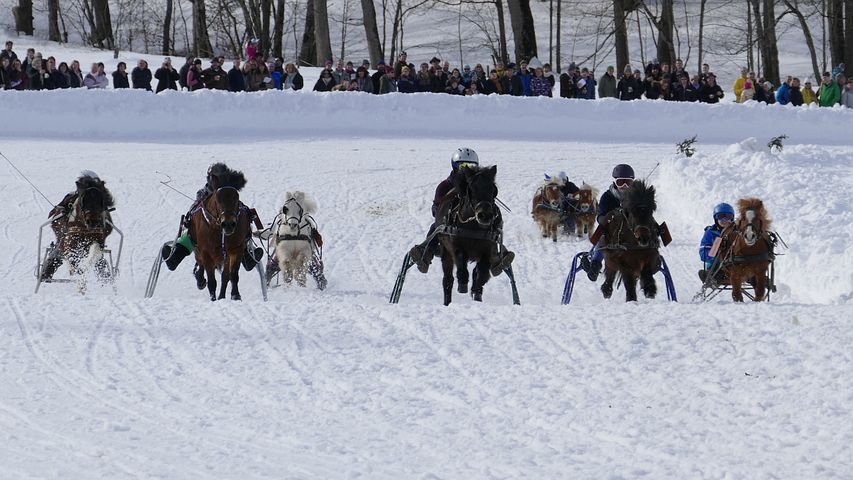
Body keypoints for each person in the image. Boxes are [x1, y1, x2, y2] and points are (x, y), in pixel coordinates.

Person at [408, 148, 515, 276]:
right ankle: (425, 255)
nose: (465, 169)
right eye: (462, 166)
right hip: (450, 227)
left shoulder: (479, 185)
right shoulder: (445, 186)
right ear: (455, 166)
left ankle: (496, 257)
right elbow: (436, 209)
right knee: (435, 227)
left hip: (478, 227)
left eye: (470, 166)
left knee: (492, 220)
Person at [161, 164, 263, 279]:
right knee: (191, 234)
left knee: (238, 235)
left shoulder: (228, 193)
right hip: (205, 236)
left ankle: (247, 257)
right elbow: (193, 211)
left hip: (228, 232)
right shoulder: (203, 193)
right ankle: (174, 258)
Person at [579, 164, 635, 281]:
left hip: (630, 230)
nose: (624, 186)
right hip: (611, 231)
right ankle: (595, 264)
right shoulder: (607, 197)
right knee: (603, 238)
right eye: (621, 182)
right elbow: (600, 216)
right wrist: (609, 219)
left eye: (628, 183)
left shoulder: (636, 197)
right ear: (615, 182)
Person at [698, 203, 734, 282]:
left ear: (732, 219)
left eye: (727, 217)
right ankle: (712, 277)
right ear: (716, 219)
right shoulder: (710, 232)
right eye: (720, 217)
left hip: (734, 263)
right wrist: (715, 250)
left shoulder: (736, 232)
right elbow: (703, 253)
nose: (724, 220)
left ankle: (754, 278)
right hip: (717, 265)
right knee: (716, 271)